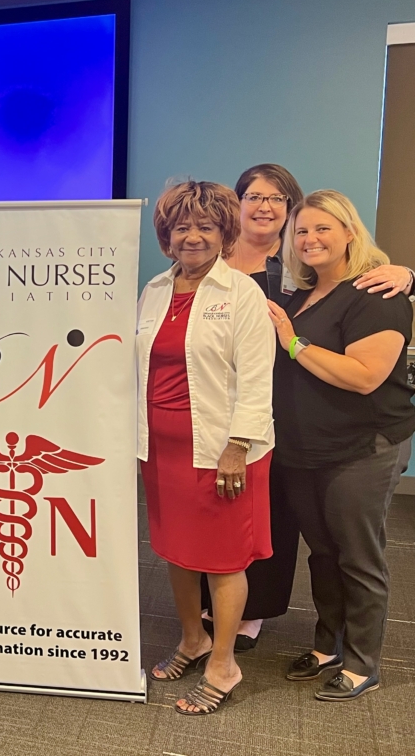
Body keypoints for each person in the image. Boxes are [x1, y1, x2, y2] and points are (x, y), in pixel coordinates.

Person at [201, 164, 415, 651]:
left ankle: (338, 652)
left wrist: (410, 275)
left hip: (328, 432)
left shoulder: (319, 279)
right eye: (254, 196)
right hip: (252, 419)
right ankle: (317, 643)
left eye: (278, 199)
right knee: (306, 543)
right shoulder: (223, 261)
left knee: (315, 536)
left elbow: (362, 361)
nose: (265, 207)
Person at [268, 190, 415, 701]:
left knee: (358, 555)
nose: (310, 239)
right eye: (302, 231)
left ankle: (363, 662)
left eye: (323, 228)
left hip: (362, 448)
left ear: (350, 232)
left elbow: (365, 377)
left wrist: (292, 342)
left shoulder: (377, 295)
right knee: (323, 554)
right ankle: (327, 645)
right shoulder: (299, 294)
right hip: (306, 448)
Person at [137, 180, 275, 715]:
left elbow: (257, 379)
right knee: (176, 550)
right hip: (162, 450)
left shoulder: (242, 294)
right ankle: (192, 639)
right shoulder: (153, 290)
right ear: (166, 235)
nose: (192, 237)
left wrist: (237, 446)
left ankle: (223, 662)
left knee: (221, 560)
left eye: (205, 227)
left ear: (224, 233)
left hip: (222, 451)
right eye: (181, 227)